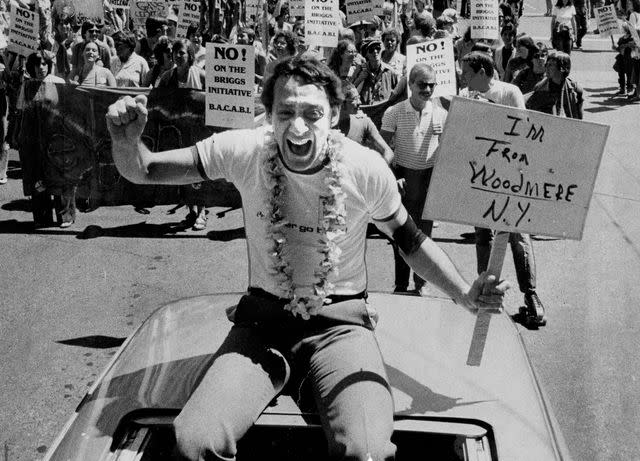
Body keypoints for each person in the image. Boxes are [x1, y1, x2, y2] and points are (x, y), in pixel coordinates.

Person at [106, 54, 508, 461]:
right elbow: (146, 170)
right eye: (286, 112)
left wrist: (464, 293)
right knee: (195, 441)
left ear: (334, 116)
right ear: (268, 116)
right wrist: (126, 142)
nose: (298, 126)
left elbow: (410, 241)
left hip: (341, 326)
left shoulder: (366, 168)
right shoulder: (243, 150)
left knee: (366, 451)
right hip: (262, 325)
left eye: (312, 113)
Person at [459, 51, 546, 325]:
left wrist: (488, 108)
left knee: (517, 235)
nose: (464, 77)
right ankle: (486, 291)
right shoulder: (466, 95)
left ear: (482, 72)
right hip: (481, 175)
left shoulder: (510, 92)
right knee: (482, 235)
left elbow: (523, 131)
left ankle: (530, 294)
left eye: (467, 73)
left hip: (508, 175)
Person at [381, 63, 448, 295]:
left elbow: (447, 151)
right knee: (402, 234)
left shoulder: (441, 114)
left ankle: (421, 284)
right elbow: (382, 149)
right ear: (410, 84)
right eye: (422, 84)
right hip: (404, 179)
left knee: (425, 236)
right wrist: (393, 177)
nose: (427, 89)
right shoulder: (394, 112)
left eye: (431, 85)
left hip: (428, 180)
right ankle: (401, 284)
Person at [157, 39, 208, 231]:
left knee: (200, 171)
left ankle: (202, 211)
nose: (179, 55)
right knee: (183, 172)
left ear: (190, 55)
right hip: (178, 131)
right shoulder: (167, 77)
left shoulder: (201, 75)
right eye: (176, 52)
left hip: (198, 131)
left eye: (183, 52)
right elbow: (158, 99)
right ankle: (192, 211)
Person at [337, 82, 394, 163]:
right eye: (354, 99)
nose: (359, 102)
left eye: (359, 98)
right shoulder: (327, 124)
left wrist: (380, 169)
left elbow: (388, 152)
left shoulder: (364, 121)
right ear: (342, 103)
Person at [525, 50, 584, 119]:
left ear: (562, 68)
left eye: (550, 65)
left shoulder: (574, 90)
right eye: (546, 64)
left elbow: (578, 119)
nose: (546, 67)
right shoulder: (540, 88)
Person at [355, 37, 399, 105]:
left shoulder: (390, 71)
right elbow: (349, 93)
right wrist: (360, 79)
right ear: (366, 54)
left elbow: (398, 95)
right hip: (364, 112)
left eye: (377, 48)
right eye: (371, 50)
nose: (375, 51)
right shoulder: (360, 70)